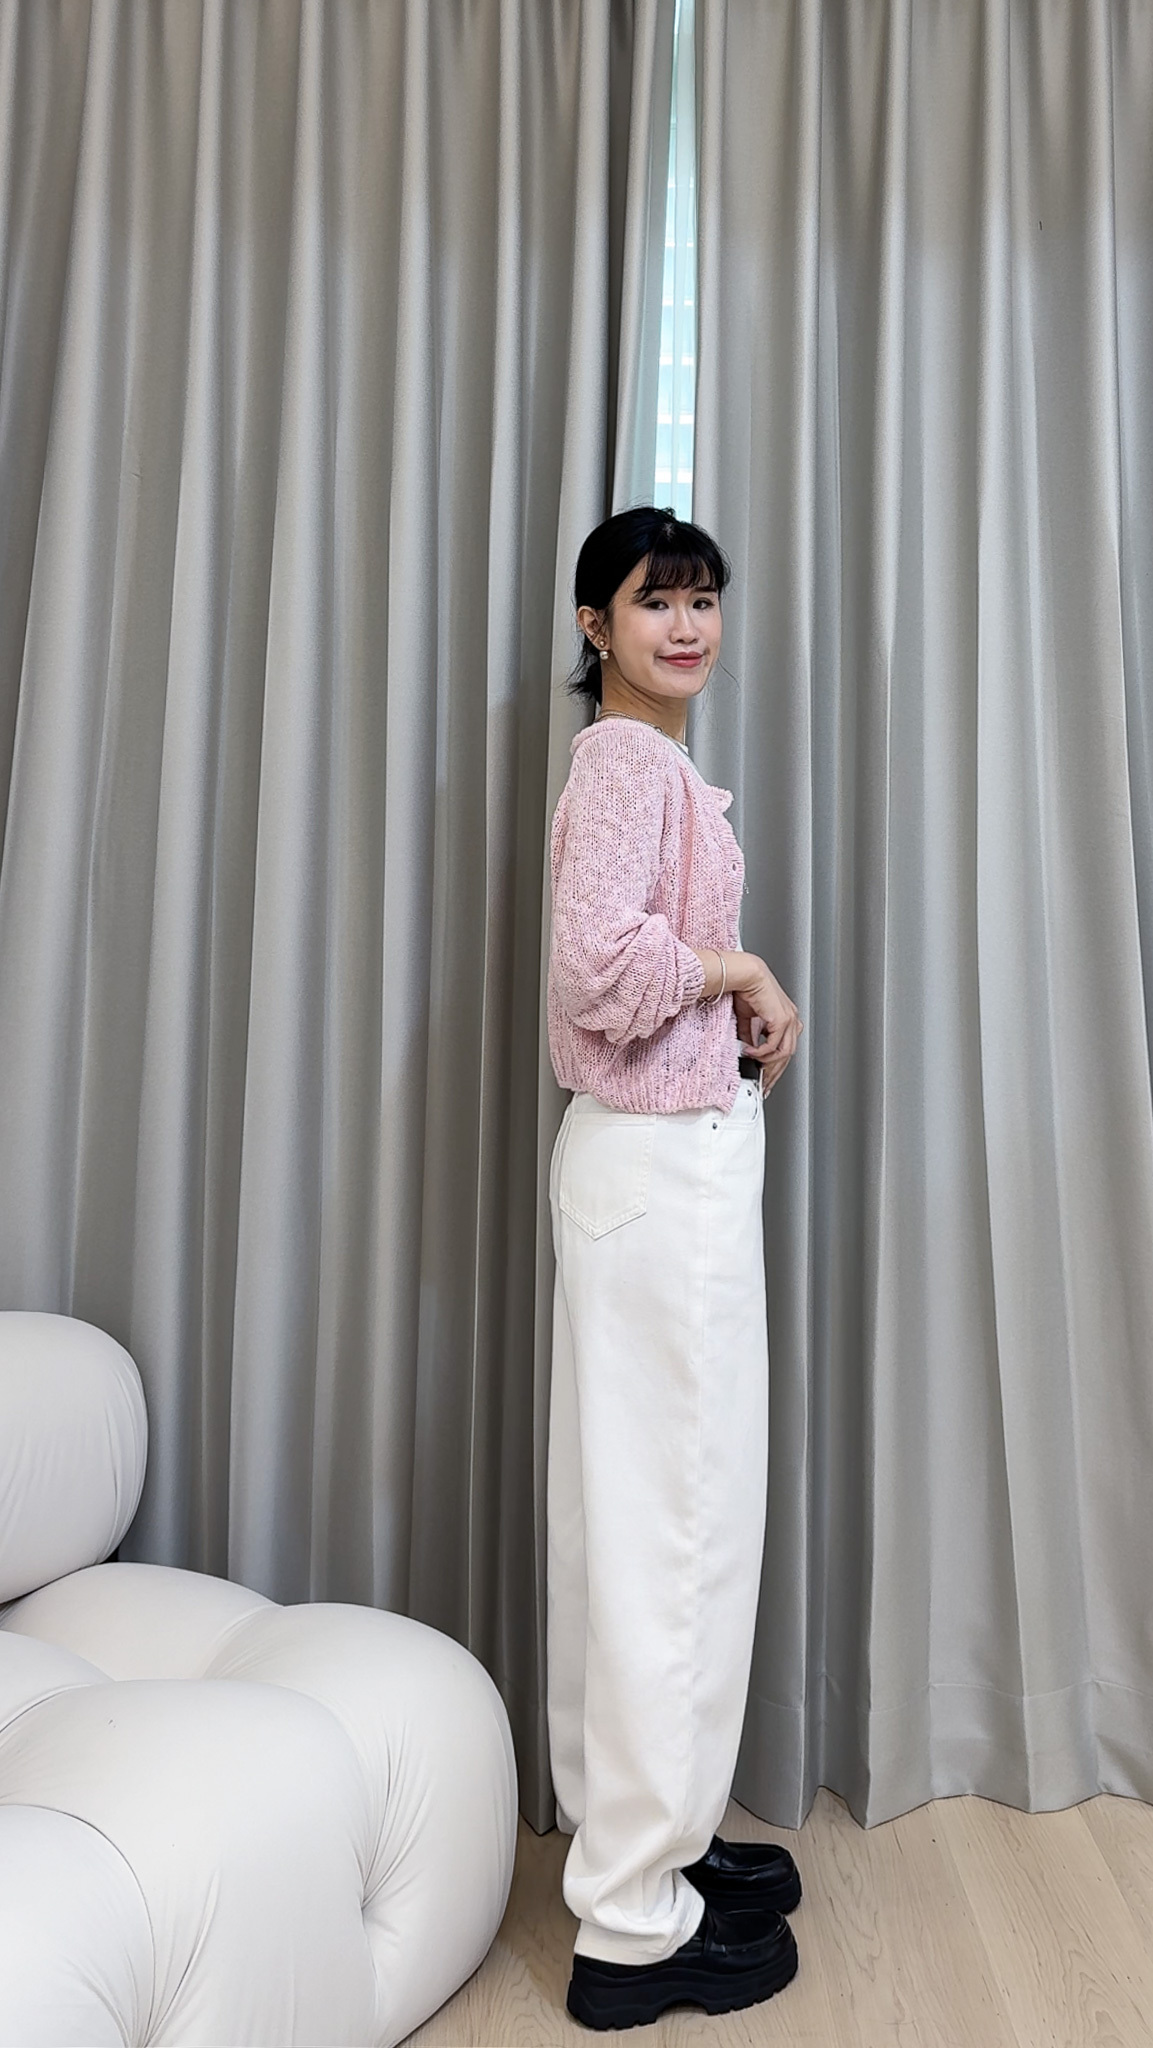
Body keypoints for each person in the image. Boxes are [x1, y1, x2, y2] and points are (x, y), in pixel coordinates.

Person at [545, 506, 805, 2031]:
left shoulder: (637, 764)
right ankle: (635, 1924)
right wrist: (741, 970)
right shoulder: (626, 763)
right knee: (679, 1531)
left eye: (703, 599)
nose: (687, 625)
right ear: (596, 626)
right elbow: (599, 972)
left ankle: (641, 1843)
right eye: (656, 601)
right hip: (659, 1173)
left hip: (635, 1167)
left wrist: (729, 1000)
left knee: (626, 1523)